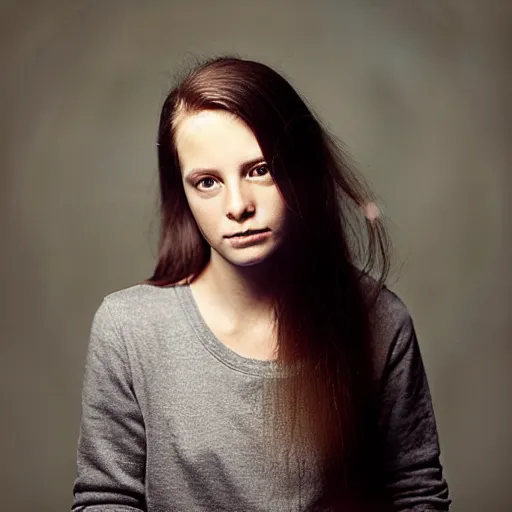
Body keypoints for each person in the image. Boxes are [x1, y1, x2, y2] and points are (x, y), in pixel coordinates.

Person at [71, 56, 451, 511]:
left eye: (260, 169)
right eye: (207, 182)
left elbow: (416, 494)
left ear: (300, 168)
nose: (237, 205)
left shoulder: (381, 322)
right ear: (183, 193)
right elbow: (107, 499)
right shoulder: (130, 329)